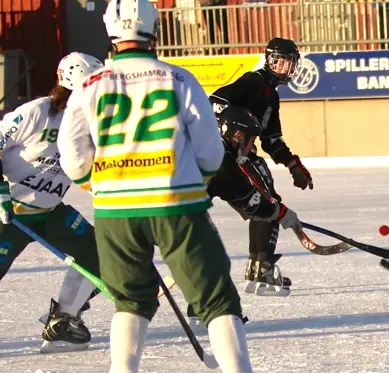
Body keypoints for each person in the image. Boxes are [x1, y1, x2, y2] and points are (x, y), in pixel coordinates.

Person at [57, 0, 253, 372]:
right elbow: (211, 150)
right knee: (216, 299)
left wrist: (90, 182)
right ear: (154, 29)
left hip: (116, 211)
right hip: (176, 204)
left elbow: (72, 151)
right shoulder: (178, 78)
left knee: (130, 302)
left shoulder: (90, 84)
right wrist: (197, 178)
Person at [0, 51, 104, 353]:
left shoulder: (92, 122)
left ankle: (62, 322)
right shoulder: (37, 111)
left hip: (50, 213)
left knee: (99, 253)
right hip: (10, 213)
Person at [209, 37, 313, 296]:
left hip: (244, 154)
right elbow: (216, 101)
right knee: (267, 203)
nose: (288, 69)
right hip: (230, 156)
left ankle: (260, 268)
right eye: (284, 62)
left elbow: (272, 140)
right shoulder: (254, 81)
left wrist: (293, 165)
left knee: (268, 201)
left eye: (292, 64)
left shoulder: (272, 96)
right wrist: (236, 130)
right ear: (270, 60)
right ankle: (262, 270)